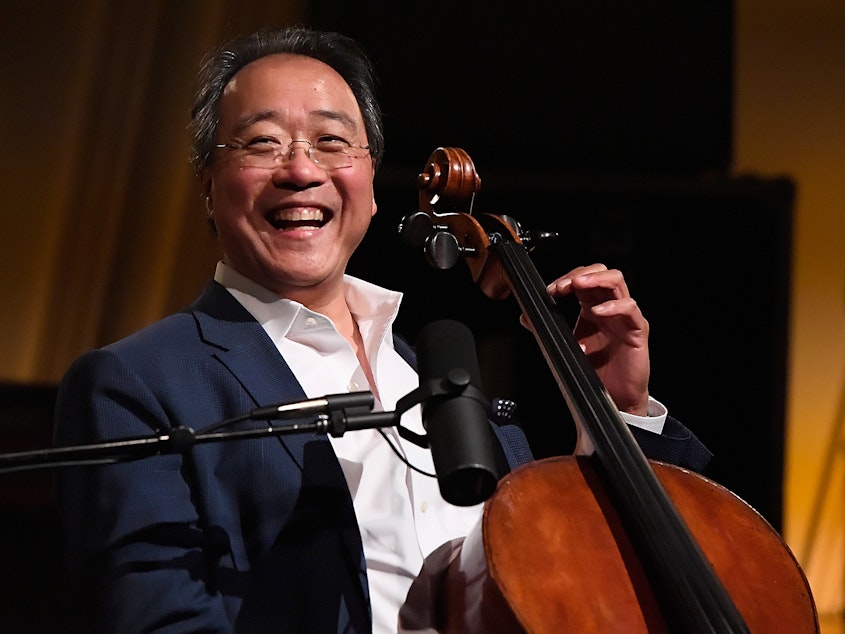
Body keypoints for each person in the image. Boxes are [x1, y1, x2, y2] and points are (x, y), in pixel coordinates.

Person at [53, 26, 712, 633]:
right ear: (206, 186)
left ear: (369, 180)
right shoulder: (137, 384)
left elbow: (618, 589)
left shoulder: (457, 398)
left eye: (332, 142)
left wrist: (617, 414)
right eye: (261, 142)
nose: (300, 169)